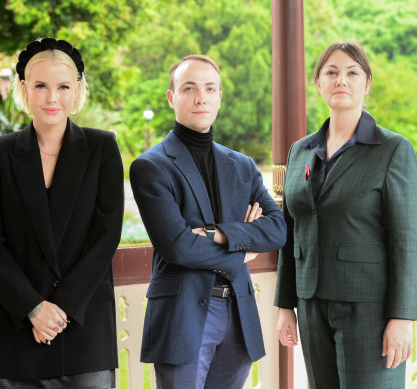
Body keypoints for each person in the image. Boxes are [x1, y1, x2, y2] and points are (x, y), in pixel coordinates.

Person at [0, 38, 124, 388]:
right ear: (24, 90)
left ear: (77, 90)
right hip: (15, 323)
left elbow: (106, 235)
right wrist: (33, 308)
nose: (52, 97)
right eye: (40, 85)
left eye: (63, 86)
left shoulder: (102, 147)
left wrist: (59, 311)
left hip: (83, 321)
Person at [130, 54, 287, 389]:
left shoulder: (242, 165)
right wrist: (243, 248)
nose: (201, 97)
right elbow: (178, 247)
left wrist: (217, 233)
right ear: (172, 97)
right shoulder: (152, 167)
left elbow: (276, 228)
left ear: (219, 97)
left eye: (209, 88)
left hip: (238, 314)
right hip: (184, 315)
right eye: (189, 88)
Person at [274, 41, 417, 389]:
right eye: (332, 72)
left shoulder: (393, 150)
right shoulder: (300, 151)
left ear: (366, 83)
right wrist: (285, 305)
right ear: (319, 84)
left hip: (368, 308)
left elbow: (406, 240)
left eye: (352, 73)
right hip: (311, 306)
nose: (342, 80)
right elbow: (290, 232)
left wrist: (401, 317)